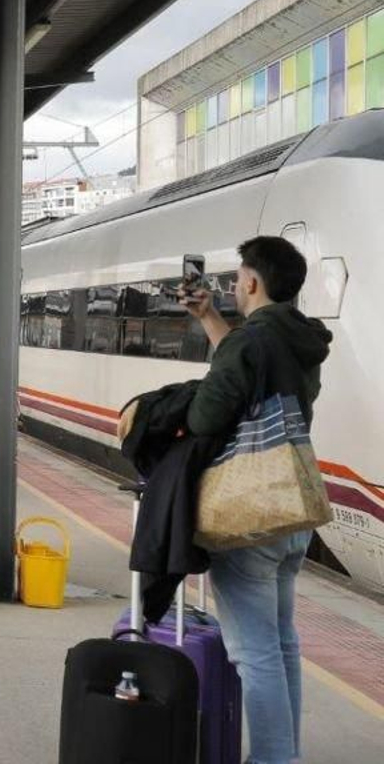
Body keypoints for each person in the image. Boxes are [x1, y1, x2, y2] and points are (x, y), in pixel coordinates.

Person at [183, 236, 331, 764]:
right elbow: (255, 367)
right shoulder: (300, 337)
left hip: (251, 513)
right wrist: (209, 318)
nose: (235, 284)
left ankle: (272, 759)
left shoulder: (252, 341)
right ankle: (283, 754)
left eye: (239, 276)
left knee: (255, 652)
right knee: (282, 643)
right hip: (293, 505)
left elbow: (206, 416)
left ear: (251, 281)